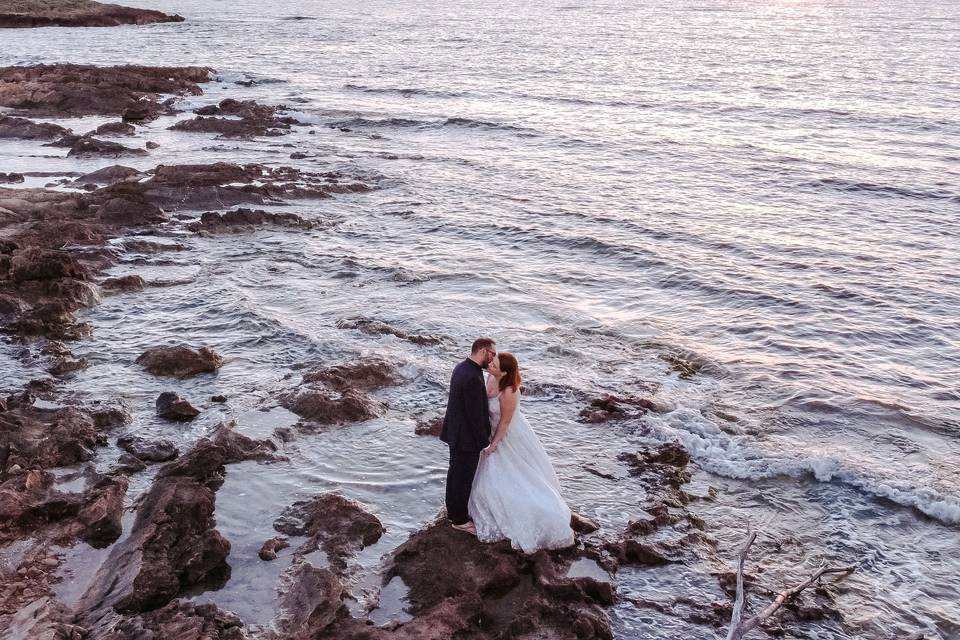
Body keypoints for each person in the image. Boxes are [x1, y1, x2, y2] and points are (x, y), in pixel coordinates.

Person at [467, 352, 575, 553]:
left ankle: (541, 514)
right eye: (492, 361)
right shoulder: (490, 376)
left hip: (507, 436)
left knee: (513, 474)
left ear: (505, 372)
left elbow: (505, 423)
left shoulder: (509, 391)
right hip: (490, 430)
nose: (490, 364)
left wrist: (493, 445)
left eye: (495, 364)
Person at [440, 337, 497, 534]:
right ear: (483, 350)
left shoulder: (461, 367)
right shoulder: (473, 376)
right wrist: (484, 440)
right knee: (463, 477)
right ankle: (459, 519)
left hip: (455, 432)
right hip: (466, 438)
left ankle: (453, 512)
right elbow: (474, 414)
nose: (493, 359)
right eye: (492, 354)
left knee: (454, 473)